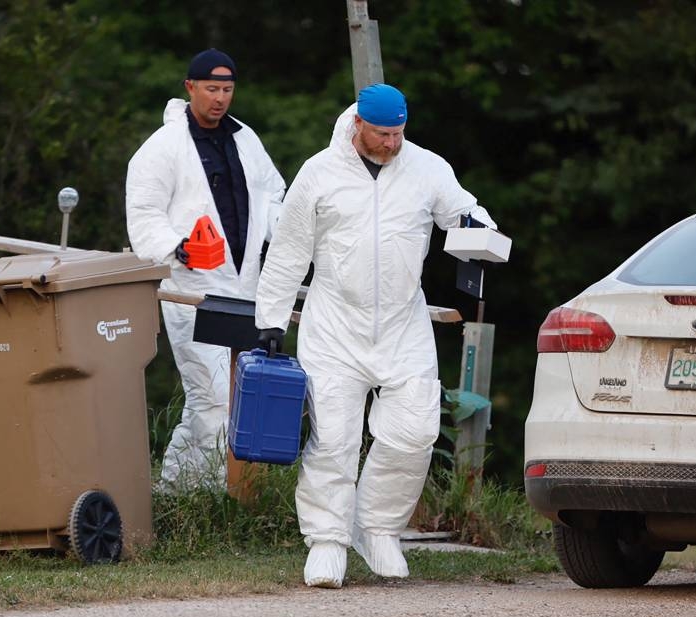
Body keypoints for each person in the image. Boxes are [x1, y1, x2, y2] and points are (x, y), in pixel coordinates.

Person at [254, 83, 497, 588]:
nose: (392, 143)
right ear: (359, 125)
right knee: (333, 440)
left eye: (399, 133)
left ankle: (377, 526)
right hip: (334, 326)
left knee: (416, 432)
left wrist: (478, 225)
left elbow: (467, 211)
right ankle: (326, 540)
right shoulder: (319, 173)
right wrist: (270, 322)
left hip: (403, 326)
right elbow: (288, 253)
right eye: (383, 134)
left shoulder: (427, 168)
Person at [126, 49, 285, 490]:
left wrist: (285, 234)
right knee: (211, 395)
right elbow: (143, 212)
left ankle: (189, 492)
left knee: (235, 397)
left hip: (244, 287)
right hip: (192, 289)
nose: (220, 98)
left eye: (227, 90)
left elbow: (274, 194)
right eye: (211, 89)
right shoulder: (163, 148)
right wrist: (178, 249)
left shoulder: (245, 138)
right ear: (190, 87)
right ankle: (199, 490)